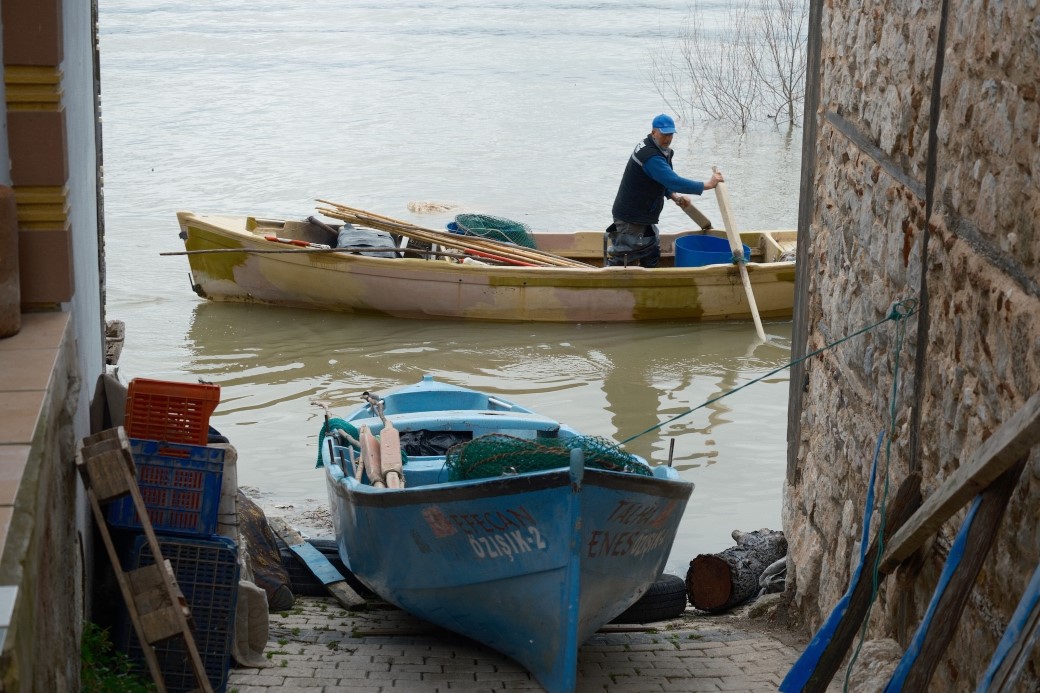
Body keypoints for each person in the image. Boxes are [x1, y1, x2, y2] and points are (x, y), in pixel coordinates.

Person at [607, 114, 724, 267]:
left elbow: (660, 180)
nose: (668, 139)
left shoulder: (659, 149)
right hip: (631, 218)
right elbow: (673, 181)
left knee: (652, 250)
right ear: (654, 132)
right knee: (626, 255)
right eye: (664, 134)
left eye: (670, 134)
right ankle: (608, 281)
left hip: (642, 215)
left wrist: (674, 197)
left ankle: (650, 283)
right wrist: (707, 185)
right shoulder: (650, 156)